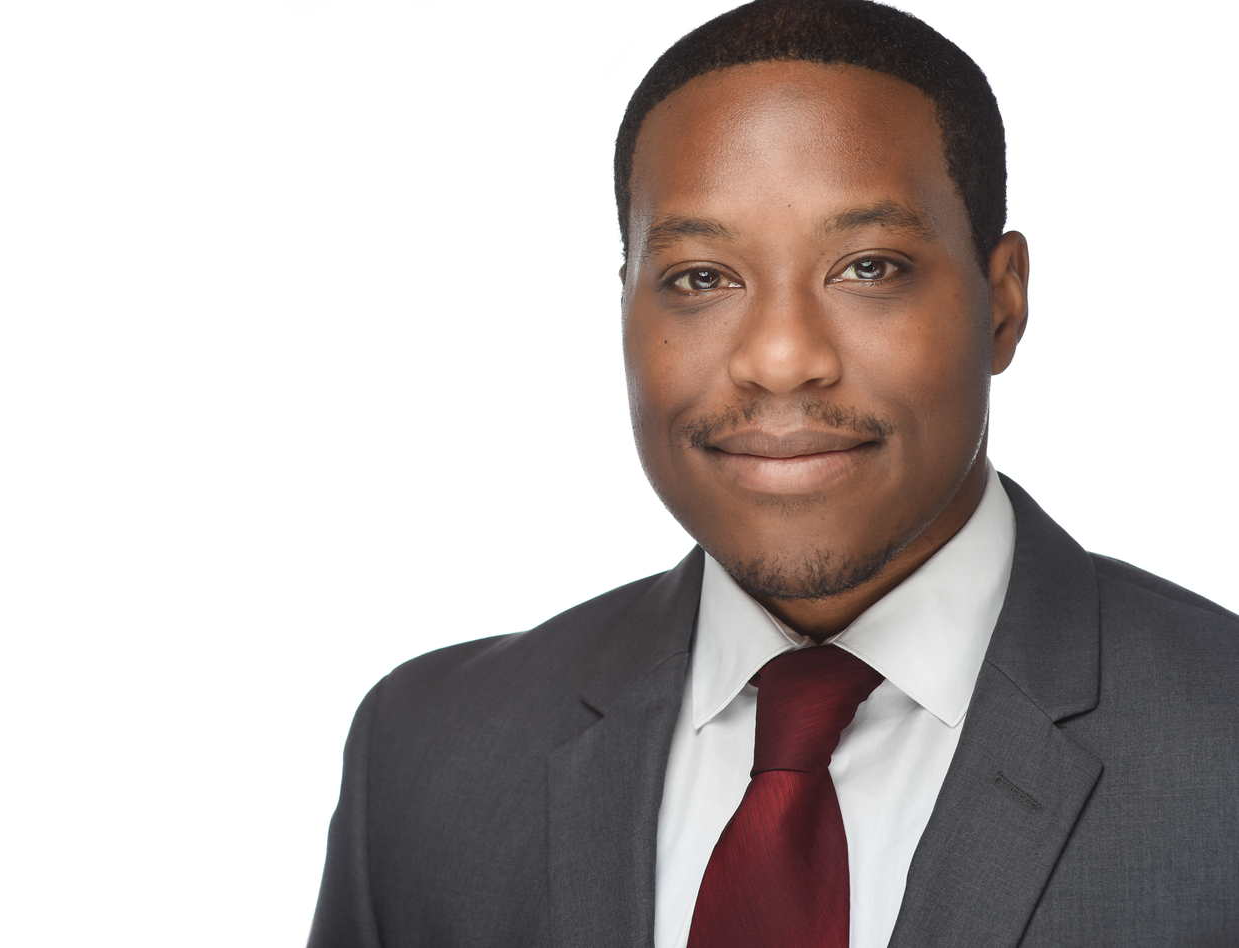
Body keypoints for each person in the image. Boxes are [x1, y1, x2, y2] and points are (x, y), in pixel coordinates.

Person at [308, 1, 1239, 945]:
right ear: (625, 304)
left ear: (1001, 304)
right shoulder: (425, 758)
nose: (782, 358)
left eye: (868, 267)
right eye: (702, 277)